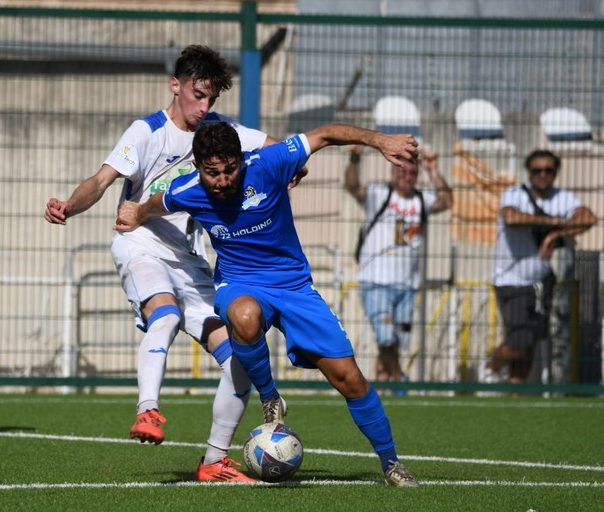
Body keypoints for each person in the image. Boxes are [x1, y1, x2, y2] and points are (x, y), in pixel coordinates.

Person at [115, 121, 421, 487]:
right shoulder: (187, 189)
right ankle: (270, 397)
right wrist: (137, 214)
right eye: (213, 173)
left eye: (231, 169)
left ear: (242, 159)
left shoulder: (270, 162)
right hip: (239, 284)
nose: (223, 180)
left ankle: (391, 463)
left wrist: (380, 140)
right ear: (197, 167)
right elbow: (157, 203)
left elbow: (325, 135)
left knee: (349, 379)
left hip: (294, 287)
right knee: (244, 316)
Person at [44, 45, 300, 482]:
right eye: (198, 95)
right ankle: (147, 410)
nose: (204, 107)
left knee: (240, 362)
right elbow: (102, 180)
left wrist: (290, 166)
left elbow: (274, 148)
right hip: (140, 243)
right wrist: (69, 205)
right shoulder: (148, 132)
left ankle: (213, 461)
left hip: (190, 261)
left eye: (211, 98)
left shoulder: (219, 131)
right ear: (175, 85)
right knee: (165, 315)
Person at [344, 146, 452, 390]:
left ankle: (383, 384)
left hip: (407, 285)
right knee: (386, 338)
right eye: (403, 172)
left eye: (413, 173)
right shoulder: (379, 194)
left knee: (396, 343)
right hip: (376, 281)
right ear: (393, 172)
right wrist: (355, 158)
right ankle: (399, 382)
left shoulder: (421, 199)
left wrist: (433, 171)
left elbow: (447, 201)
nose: (407, 177)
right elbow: (352, 186)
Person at [486, 149, 596, 384]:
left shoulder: (562, 197)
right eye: (537, 170)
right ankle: (488, 370)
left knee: (532, 340)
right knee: (519, 341)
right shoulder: (514, 194)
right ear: (529, 172)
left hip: (542, 279)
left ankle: (515, 389)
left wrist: (557, 233)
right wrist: (552, 221)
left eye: (548, 170)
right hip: (512, 279)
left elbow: (589, 218)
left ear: (556, 172)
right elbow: (511, 218)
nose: (542, 175)